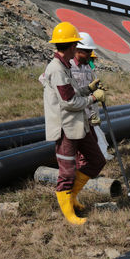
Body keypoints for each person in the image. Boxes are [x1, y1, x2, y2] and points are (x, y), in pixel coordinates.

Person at [41, 22, 106, 225]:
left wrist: (88, 89)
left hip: (79, 124)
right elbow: (69, 102)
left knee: (97, 160)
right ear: (71, 46)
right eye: (76, 45)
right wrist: (93, 98)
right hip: (66, 128)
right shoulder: (57, 70)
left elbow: (73, 93)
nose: (78, 49)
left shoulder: (65, 67)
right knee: (67, 172)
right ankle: (69, 212)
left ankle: (72, 196)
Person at [70, 32, 114, 162]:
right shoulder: (68, 66)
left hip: (88, 111)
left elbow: (90, 87)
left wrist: (97, 88)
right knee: (77, 146)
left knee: (92, 144)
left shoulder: (87, 67)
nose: (90, 55)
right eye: (88, 51)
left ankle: (87, 169)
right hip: (75, 112)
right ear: (78, 50)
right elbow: (46, 81)